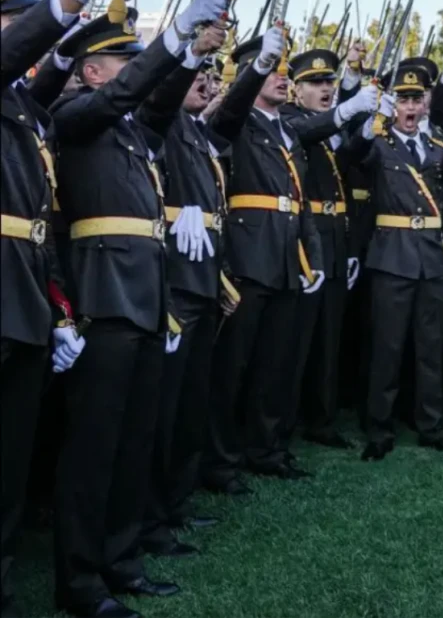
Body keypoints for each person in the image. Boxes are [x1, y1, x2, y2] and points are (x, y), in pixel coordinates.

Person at [51, 0, 228, 618]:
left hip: (148, 299)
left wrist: (188, 52)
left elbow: (156, 100)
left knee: (132, 440)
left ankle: (122, 559)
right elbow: (130, 93)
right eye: (124, 62)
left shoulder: (132, 134)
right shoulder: (74, 116)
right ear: (93, 70)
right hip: (102, 299)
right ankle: (79, 581)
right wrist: (174, 35)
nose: (133, 73)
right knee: (94, 449)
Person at [0, 0, 122, 618]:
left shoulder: (22, 106)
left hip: (22, 302)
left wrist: (61, 310)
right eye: (9, 20)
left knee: (10, 472)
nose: (19, 31)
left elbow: (37, 220)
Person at [204, 28, 375, 491]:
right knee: (233, 366)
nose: (282, 76)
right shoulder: (236, 119)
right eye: (271, 69)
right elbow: (229, 115)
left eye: (282, 68)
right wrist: (255, 71)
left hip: (287, 256)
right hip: (248, 256)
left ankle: (267, 448)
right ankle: (220, 461)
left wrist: (312, 257)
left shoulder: (287, 129)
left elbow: (300, 199)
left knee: (276, 363)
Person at [141, 40, 260, 559]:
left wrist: (254, 71)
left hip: (205, 277)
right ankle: (149, 516)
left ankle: (175, 502)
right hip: (173, 281)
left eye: (211, 79)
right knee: (161, 411)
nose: (207, 85)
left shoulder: (196, 133)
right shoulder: (162, 123)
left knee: (190, 404)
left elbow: (232, 114)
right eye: (196, 78)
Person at [349, 62, 443, 459]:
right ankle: (379, 430)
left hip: (432, 257)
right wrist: (371, 121)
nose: (411, 107)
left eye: (417, 99)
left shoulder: (439, 148)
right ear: (393, 105)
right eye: (404, 100)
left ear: (426, 102)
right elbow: (353, 155)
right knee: (388, 347)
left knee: (431, 347)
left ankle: (432, 425)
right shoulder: (380, 143)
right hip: (392, 255)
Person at [283, 48, 360, 451]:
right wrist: (345, 112)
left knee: (329, 336)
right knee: (297, 338)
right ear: (296, 90)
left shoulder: (330, 127)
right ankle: (283, 420)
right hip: (303, 241)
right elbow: (305, 133)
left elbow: (348, 161)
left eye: (330, 82)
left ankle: (321, 418)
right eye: (316, 83)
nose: (326, 88)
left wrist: (358, 120)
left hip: (333, 236)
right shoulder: (289, 118)